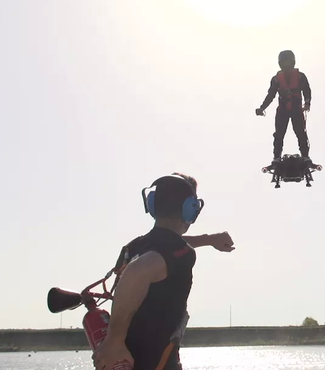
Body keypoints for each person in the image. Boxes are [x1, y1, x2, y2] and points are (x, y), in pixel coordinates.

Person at [93, 173, 235, 370]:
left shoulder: (133, 247)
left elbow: (168, 247)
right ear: (190, 209)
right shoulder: (178, 253)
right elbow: (138, 271)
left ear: (152, 204)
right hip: (154, 362)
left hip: (123, 361)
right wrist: (114, 341)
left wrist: (209, 239)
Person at [255, 50, 313, 166]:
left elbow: (307, 90)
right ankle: (276, 157)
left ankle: (305, 156)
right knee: (279, 134)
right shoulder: (276, 79)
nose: (286, 65)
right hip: (283, 110)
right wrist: (262, 108)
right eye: (284, 63)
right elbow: (271, 95)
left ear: (292, 62)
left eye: (288, 62)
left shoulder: (300, 76)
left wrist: (307, 103)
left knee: (301, 133)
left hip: (296, 109)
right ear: (280, 64)